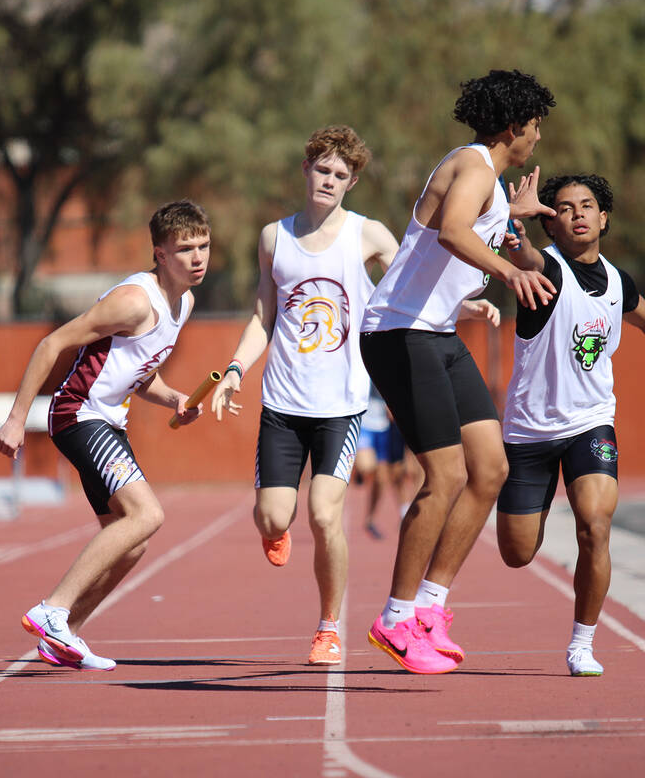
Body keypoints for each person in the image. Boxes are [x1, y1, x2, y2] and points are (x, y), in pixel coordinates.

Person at [359, 69, 556, 674]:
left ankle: (430, 607)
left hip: (435, 335)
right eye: (535, 126)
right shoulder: (472, 165)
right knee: (443, 476)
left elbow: (471, 225)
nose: (539, 138)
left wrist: (510, 214)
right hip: (398, 333)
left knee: (490, 468)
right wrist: (508, 270)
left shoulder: (489, 182)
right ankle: (393, 619)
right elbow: (451, 231)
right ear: (512, 127)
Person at [495, 173, 645, 677]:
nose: (577, 213)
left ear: (604, 217)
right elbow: (523, 257)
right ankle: (534, 509)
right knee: (516, 553)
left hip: (590, 424)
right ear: (551, 223)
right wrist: (516, 223)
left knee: (595, 526)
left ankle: (582, 643)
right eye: (563, 207)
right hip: (530, 433)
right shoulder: (547, 269)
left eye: (586, 205)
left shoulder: (620, 283)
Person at [208, 125, 414, 666]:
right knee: (274, 517)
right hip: (282, 404)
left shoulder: (367, 235)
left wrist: (467, 303)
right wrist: (233, 370)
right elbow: (262, 313)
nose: (329, 180)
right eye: (322, 169)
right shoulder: (274, 237)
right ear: (306, 170)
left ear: (352, 182)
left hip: (341, 407)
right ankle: (274, 530)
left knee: (325, 516)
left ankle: (328, 627)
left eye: (340, 175)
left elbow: (414, 286)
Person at [0, 200, 214, 671]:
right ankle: (51, 609)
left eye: (204, 246)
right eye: (184, 250)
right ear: (159, 253)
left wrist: (174, 397)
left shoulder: (185, 302)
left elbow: (137, 371)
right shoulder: (134, 301)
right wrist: (17, 418)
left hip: (109, 418)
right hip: (79, 414)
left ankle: (64, 635)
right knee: (147, 514)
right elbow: (51, 343)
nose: (197, 258)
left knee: (131, 540)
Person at [354, 383, 420, 540]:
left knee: (387, 477)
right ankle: (374, 516)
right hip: (365, 420)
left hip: (385, 424)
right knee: (368, 467)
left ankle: (394, 515)